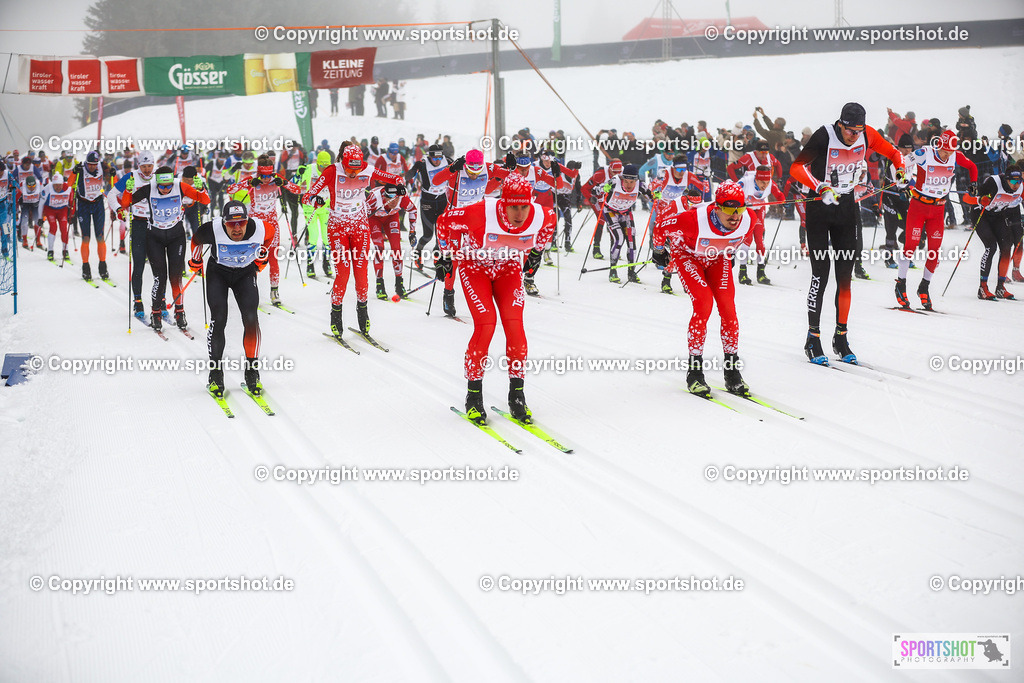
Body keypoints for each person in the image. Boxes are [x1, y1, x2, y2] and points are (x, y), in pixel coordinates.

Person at [434, 172, 556, 425]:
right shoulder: (479, 213)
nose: (520, 214)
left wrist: (536, 252)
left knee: (515, 328)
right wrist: (446, 255)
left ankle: (517, 395)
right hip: (473, 266)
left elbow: (548, 226)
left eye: (524, 206)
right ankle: (474, 396)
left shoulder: (540, 215)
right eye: (513, 207)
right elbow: (443, 221)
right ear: (503, 203)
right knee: (486, 324)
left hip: (508, 268)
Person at [789, 102, 905, 365]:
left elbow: (894, 153)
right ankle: (813, 337)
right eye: (850, 131)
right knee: (821, 273)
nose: (854, 136)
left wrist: (900, 169)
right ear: (840, 124)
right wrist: (819, 187)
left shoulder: (868, 134)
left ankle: (840, 337)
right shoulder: (824, 135)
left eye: (858, 131)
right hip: (820, 206)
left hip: (846, 208)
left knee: (845, 277)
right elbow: (796, 168)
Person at [652, 181, 755, 396]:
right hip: (688, 256)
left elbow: (740, 238)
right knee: (704, 303)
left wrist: (730, 251)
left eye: (740, 209)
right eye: (728, 210)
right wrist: (660, 250)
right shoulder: (692, 220)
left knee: (728, 309)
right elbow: (661, 225)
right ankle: (695, 372)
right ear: (717, 207)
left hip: (717, 258)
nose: (735, 216)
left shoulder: (749, 219)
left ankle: (732, 371)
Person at [302, 143, 403, 337]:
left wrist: (399, 185)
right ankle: (336, 313)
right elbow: (308, 196)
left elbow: (393, 177)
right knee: (343, 273)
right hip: (338, 225)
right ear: (343, 162)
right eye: (350, 169)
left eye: (357, 169)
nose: (354, 174)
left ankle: (362, 311)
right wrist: (317, 200)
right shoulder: (332, 171)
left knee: (361, 272)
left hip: (359, 225)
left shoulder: (367, 169)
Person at [188, 201, 273, 396]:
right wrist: (195, 260)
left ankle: (252, 372)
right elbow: (196, 240)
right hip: (218, 272)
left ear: (247, 220)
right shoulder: (212, 229)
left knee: (251, 319)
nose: (237, 228)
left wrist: (262, 257)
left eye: (241, 223)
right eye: (231, 224)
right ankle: (216, 374)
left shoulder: (259, 228)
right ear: (223, 222)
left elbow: (270, 236)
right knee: (219, 319)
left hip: (245, 273)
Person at [119, 165, 210, 331]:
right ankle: (156, 313)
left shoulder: (180, 186)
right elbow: (126, 203)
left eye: (169, 186)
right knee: (160, 278)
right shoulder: (149, 189)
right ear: (157, 183)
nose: (166, 189)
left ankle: (179, 312)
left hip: (176, 236)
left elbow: (205, 200)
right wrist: (128, 190)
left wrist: (201, 188)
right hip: (155, 237)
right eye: (162, 186)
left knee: (175, 277)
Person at [895, 130, 978, 310]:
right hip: (919, 206)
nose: (948, 154)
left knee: (934, 251)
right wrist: (903, 179)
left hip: (938, 209)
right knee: (911, 246)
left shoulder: (955, 155)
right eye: (945, 150)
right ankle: (900, 284)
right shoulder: (925, 153)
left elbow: (972, 167)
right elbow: (903, 163)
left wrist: (973, 183)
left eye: (951, 150)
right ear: (939, 145)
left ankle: (924, 287)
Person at [432, 149, 511, 316]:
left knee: (481, 256)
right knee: (453, 260)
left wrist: (510, 168)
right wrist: (452, 168)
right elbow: (436, 180)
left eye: (477, 171)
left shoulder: (488, 168)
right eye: (470, 171)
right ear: (465, 165)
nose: (474, 175)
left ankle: (484, 293)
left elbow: (496, 183)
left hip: (474, 220)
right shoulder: (458, 171)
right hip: (454, 219)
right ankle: (448, 293)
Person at [225, 154, 303, 306]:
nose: (266, 179)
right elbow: (230, 188)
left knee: (273, 259)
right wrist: (247, 182)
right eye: (263, 176)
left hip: (272, 225)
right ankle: (249, 291)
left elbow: (297, 189)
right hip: (256, 226)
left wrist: (284, 183)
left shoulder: (276, 179)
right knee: (252, 260)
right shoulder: (253, 180)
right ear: (259, 173)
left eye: (269, 175)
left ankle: (274, 291)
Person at [112, 151, 156, 322]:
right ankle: (137, 301)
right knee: (138, 265)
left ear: (153, 165)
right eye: (143, 166)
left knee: (158, 266)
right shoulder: (131, 177)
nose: (146, 169)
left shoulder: (158, 178)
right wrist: (119, 209)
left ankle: (159, 301)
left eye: (149, 166)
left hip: (155, 226)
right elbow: (110, 195)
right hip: (137, 224)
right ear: (139, 166)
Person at [974, 164, 1022, 300]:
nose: (1016, 185)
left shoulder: (1021, 187)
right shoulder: (993, 182)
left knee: (1007, 247)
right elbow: (968, 197)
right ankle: (983, 287)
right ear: (1006, 179)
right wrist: (979, 199)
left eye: (1019, 181)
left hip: (998, 215)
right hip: (981, 214)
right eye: (1013, 181)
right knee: (991, 247)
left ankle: (1000, 287)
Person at [597, 163, 651, 284]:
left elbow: (651, 195)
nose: (629, 185)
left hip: (626, 214)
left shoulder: (640, 185)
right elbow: (597, 189)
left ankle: (631, 272)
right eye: (626, 181)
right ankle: (613, 271)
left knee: (632, 243)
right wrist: (603, 189)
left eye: (632, 182)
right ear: (622, 178)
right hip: (611, 212)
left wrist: (656, 196)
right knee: (619, 239)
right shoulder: (615, 181)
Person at [736, 165, 785, 285]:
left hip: (759, 209)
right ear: (756, 179)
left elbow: (779, 195)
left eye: (767, 182)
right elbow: (733, 189)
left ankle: (761, 272)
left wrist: (783, 202)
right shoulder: (746, 181)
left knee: (759, 239)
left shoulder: (770, 184)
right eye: (762, 182)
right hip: (746, 210)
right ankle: (743, 272)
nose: (765, 185)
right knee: (748, 239)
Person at [367, 183, 417, 299]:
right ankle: (380, 284)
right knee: (379, 248)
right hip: (374, 219)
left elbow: (413, 210)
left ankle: (399, 283)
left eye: (397, 198)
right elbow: (361, 214)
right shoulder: (374, 198)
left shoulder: (402, 198)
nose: (394, 202)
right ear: (384, 196)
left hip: (391, 217)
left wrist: (412, 232)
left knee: (396, 248)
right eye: (390, 198)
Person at [408, 144, 452, 271]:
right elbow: (409, 174)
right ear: (430, 156)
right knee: (428, 235)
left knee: (441, 234)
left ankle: (437, 258)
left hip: (443, 200)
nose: (438, 161)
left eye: (440, 158)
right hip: (428, 201)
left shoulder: (447, 161)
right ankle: (417, 255)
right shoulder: (422, 164)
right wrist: (408, 176)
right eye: (435, 158)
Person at [71, 150, 110, 281]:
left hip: (98, 204)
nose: (92, 166)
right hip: (83, 205)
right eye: (90, 164)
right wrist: (73, 172)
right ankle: (86, 267)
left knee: (100, 236)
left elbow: (111, 173)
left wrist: (112, 172)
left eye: (94, 164)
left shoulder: (102, 165)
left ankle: (103, 265)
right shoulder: (81, 169)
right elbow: (69, 184)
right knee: (86, 237)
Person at [879, 134, 916, 268]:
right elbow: (900, 180)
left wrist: (912, 187)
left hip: (902, 195)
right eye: (904, 149)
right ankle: (888, 258)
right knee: (891, 226)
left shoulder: (912, 158)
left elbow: (911, 177)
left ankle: (906, 257)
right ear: (898, 147)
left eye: (909, 149)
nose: (907, 152)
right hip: (890, 195)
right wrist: (904, 188)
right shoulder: (895, 157)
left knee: (909, 225)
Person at [297, 150, 334, 278]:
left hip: (325, 208)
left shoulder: (332, 171)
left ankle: (326, 263)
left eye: (326, 166)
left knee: (327, 237)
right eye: (322, 166)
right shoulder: (309, 169)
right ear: (317, 163)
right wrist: (298, 173)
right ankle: (310, 264)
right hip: (310, 207)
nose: (324, 169)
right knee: (313, 236)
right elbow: (294, 182)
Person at [41, 173, 72, 262]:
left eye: (60, 185)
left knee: (64, 228)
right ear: (52, 184)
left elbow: (72, 202)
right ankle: (50, 251)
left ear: (63, 183)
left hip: (62, 210)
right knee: (53, 227)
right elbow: (41, 203)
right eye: (56, 185)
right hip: (50, 209)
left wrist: (72, 215)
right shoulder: (48, 188)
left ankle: (65, 250)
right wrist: (40, 216)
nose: (58, 187)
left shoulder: (68, 188)